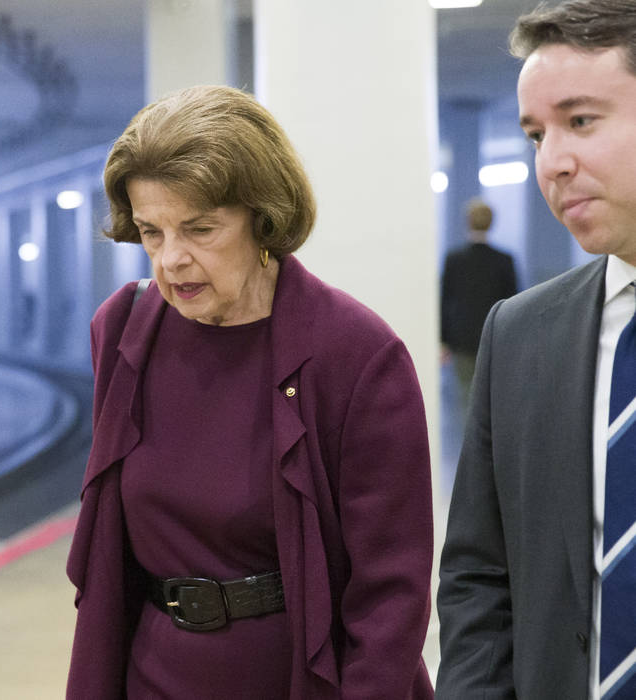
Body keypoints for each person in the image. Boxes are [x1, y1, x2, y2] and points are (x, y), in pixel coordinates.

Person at [65, 84, 434, 699]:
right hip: (153, 674)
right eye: (152, 232)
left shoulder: (357, 353)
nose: (172, 259)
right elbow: (109, 559)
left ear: (262, 219)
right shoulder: (124, 331)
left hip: (296, 678)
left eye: (200, 229)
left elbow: (390, 594)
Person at [436, 2, 636, 699]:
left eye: (580, 121)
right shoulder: (520, 335)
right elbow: (478, 578)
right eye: (534, 134)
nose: (552, 162)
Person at [440, 199, 518, 406]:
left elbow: (445, 300)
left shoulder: (454, 259)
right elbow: (513, 303)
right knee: (493, 397)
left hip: (462, 338)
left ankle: (470, 438)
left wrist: (443, 340)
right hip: (495, 337)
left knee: (467, 396)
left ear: (468, 221)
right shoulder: (504, 260)